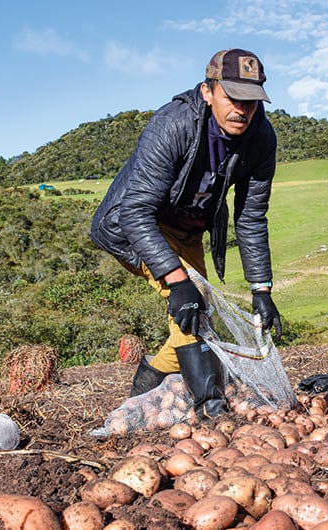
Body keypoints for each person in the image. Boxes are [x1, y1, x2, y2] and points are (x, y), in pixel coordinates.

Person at [90, 48, 283, 420]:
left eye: (252, 102)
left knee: (197, 313)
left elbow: (251, 217)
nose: (242, 110)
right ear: (208, 91)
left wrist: (262, 289)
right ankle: (211, 409)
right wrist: (178, 282)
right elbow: (134, 210)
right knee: (191, 306)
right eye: (233, 98)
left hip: (189, 231)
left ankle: (144, 390)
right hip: (139, 227)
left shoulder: (260, 138)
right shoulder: (174, 124)